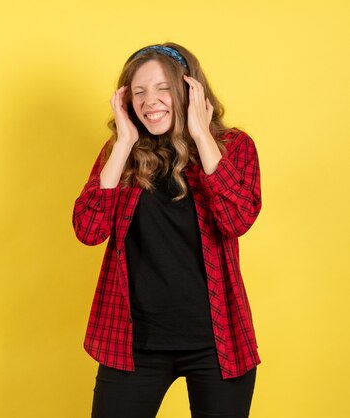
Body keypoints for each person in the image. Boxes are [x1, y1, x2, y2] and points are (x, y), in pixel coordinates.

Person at [72, 42, 262, 418]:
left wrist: (202, 135)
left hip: (217, 341)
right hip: (132, 343)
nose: (150, 101)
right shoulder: (120, 155)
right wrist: (123, 143)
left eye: (162, 89)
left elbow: (236, 220)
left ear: (189, 91)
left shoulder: (234, 147)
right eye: (139, 91)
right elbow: (88, 229)